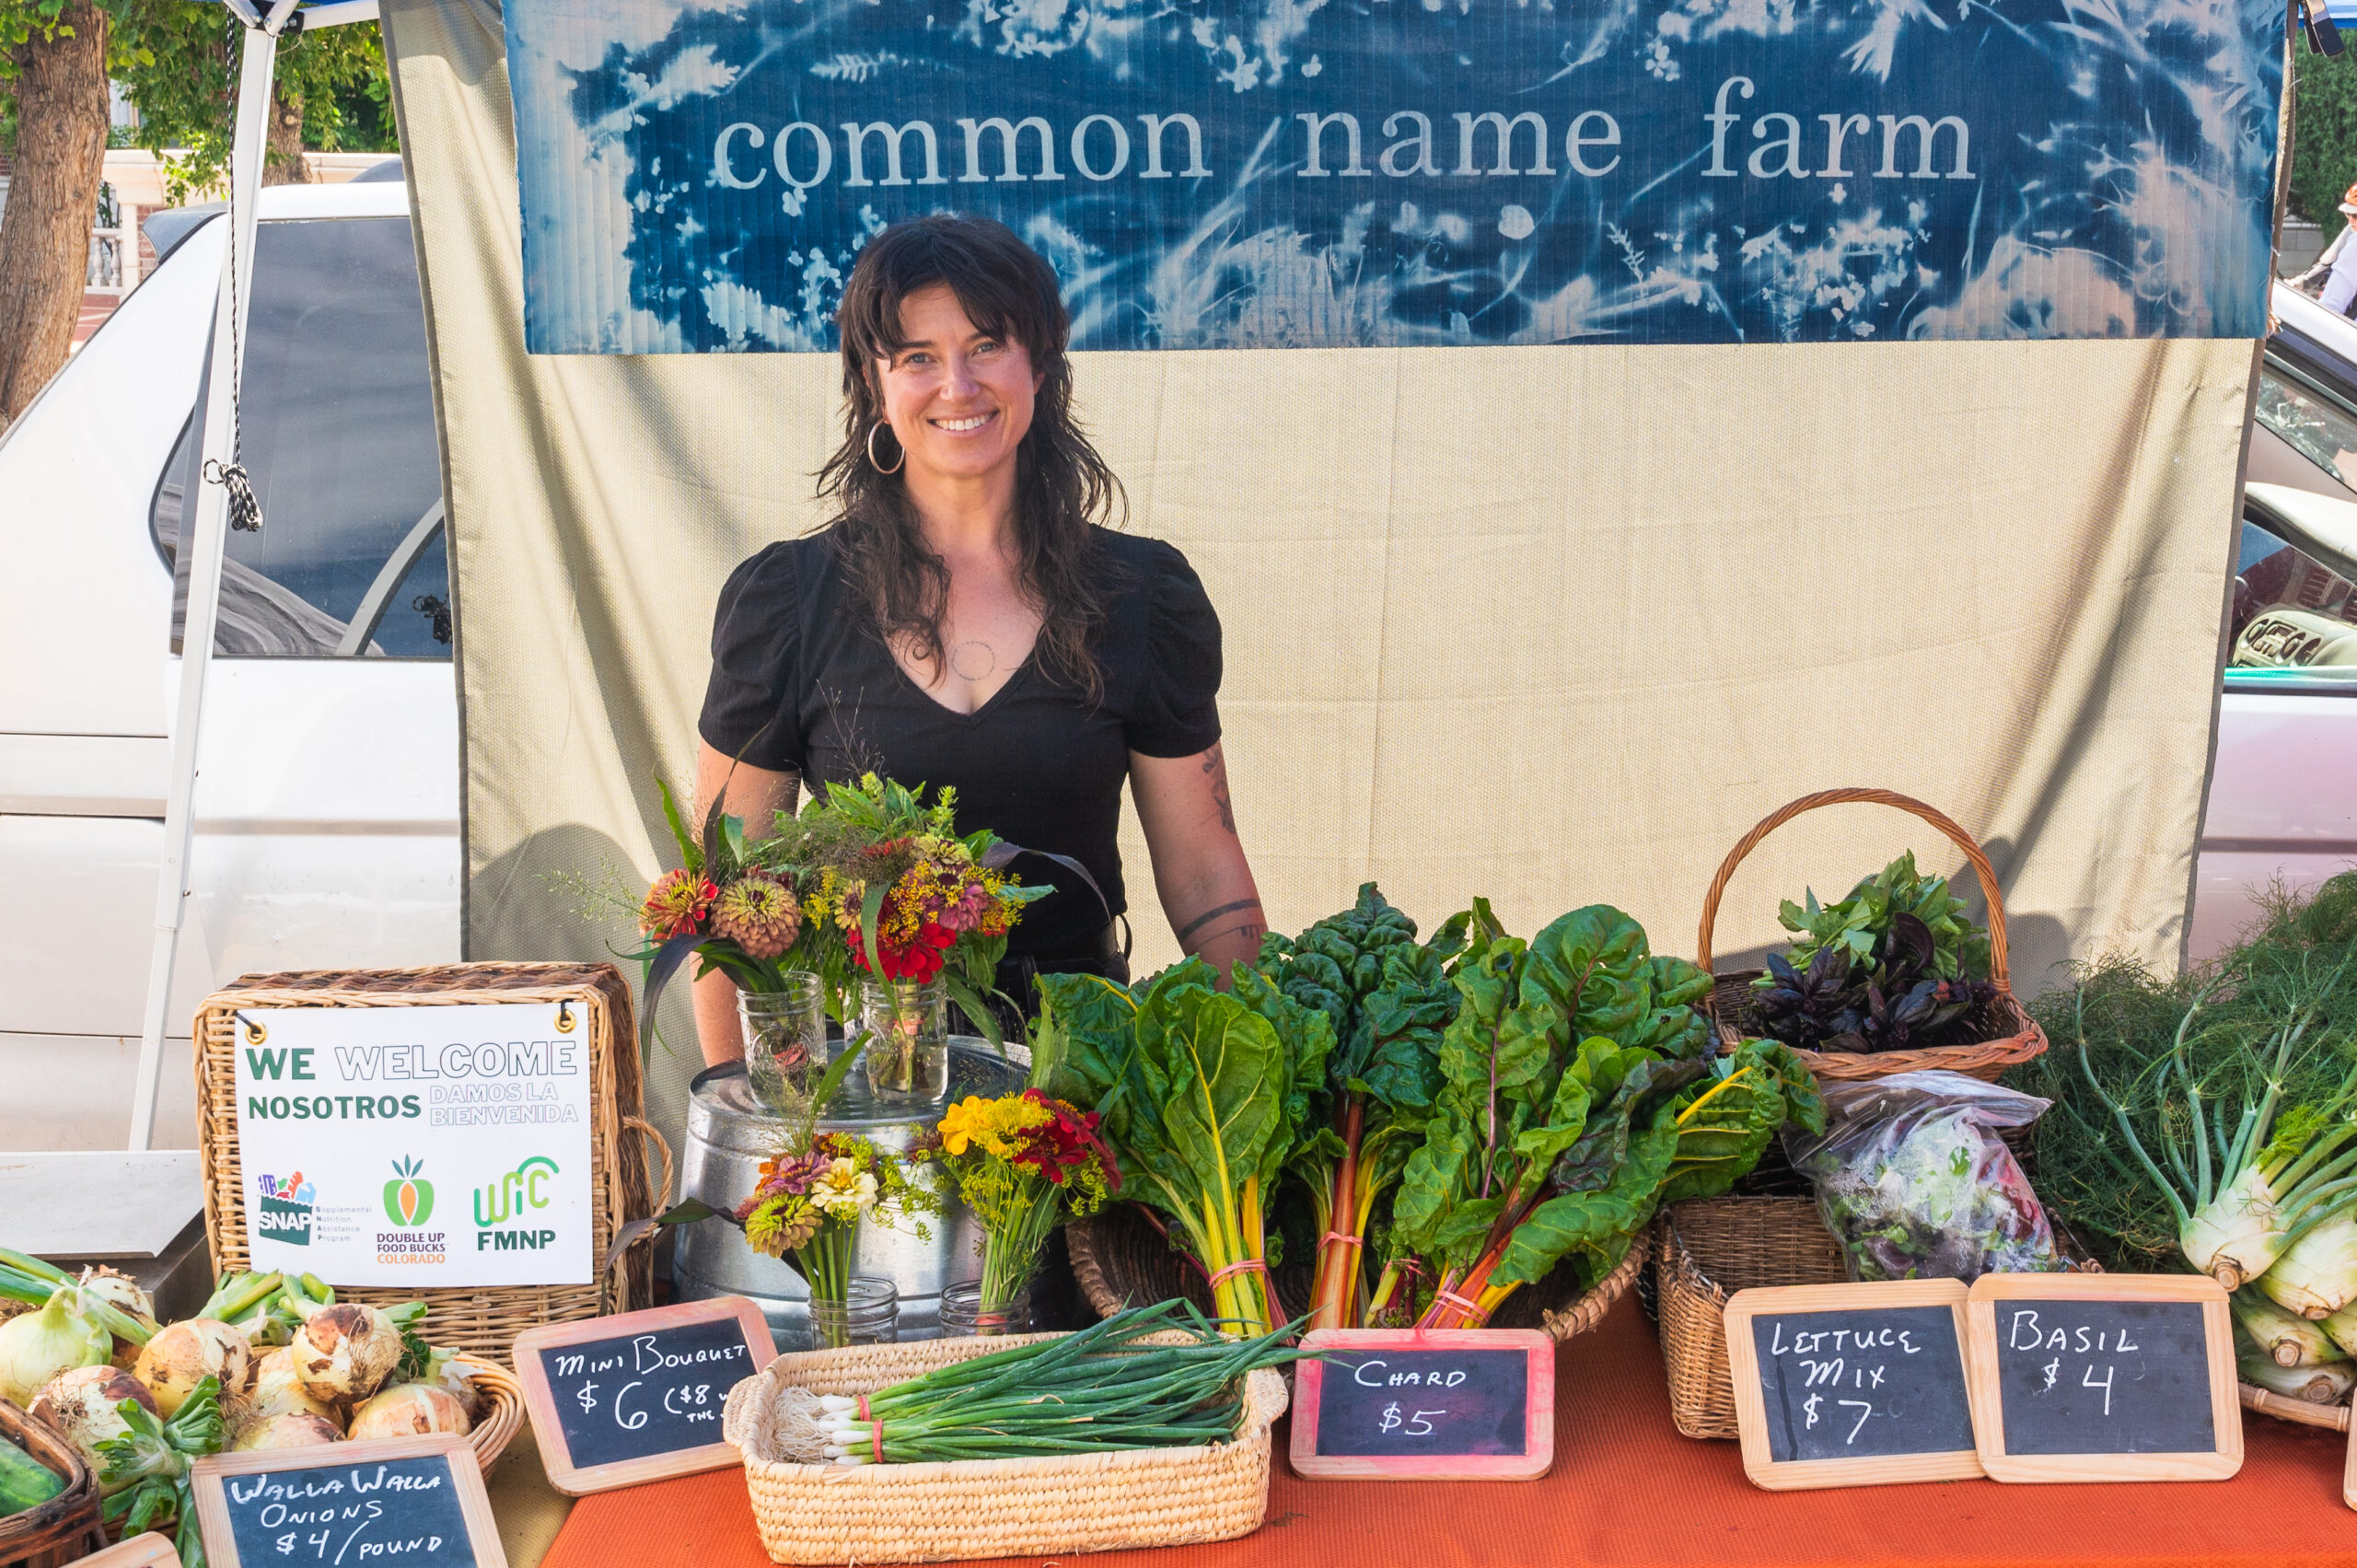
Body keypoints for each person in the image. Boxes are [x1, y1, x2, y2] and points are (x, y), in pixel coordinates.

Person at [690, 214, 1266, 1064]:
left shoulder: (1142, 595)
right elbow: (731, 898)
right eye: (917, 356)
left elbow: (1205, 874)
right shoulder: (787, 603)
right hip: (865, 1099)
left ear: (1040, 365)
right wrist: (747, 1120)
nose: (956, 384)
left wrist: (1252, 1071)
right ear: (873, 383)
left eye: (987, 344)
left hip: (1086, 1085)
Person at [2295, 182, 2357, 314]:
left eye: (2355, 216)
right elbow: (2329, 258)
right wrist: (2303, 281)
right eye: (2348, 214)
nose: (2351, 220)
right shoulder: (2352, 229)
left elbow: (2332, 304)